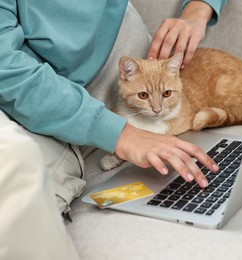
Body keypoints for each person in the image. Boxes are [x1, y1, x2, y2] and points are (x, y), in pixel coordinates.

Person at [0, 0, 226, 259]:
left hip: (129, 84)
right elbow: (7, 70)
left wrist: (197, 11)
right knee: (17, 182)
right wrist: (117, 132)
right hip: (33, 106)